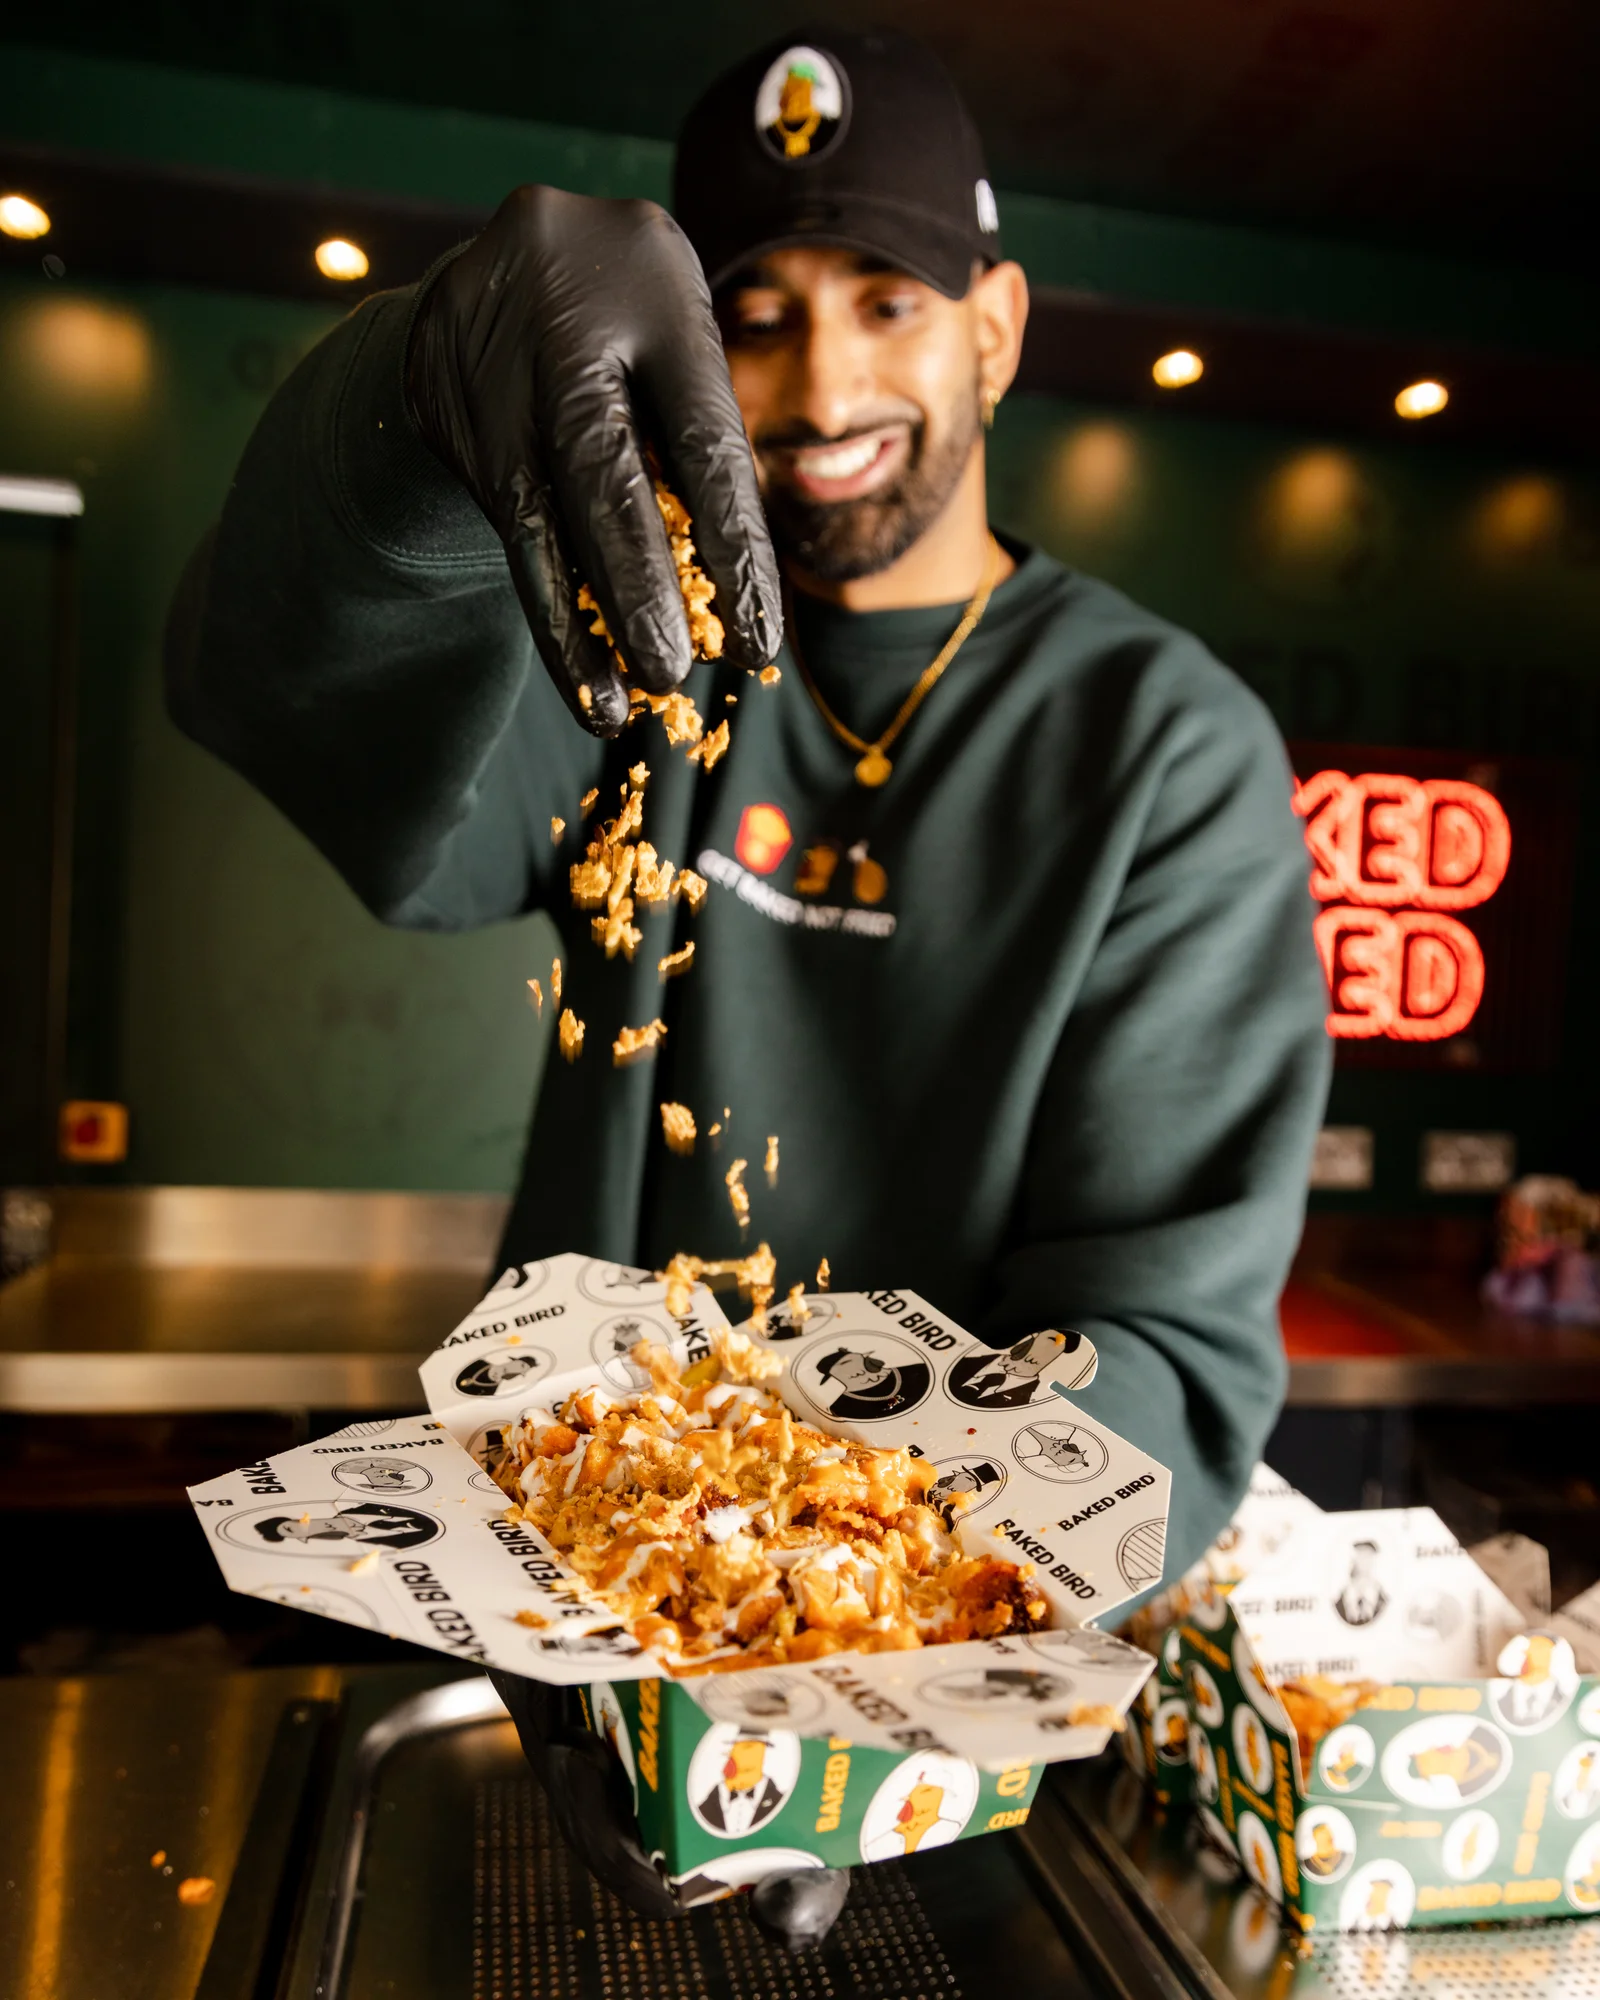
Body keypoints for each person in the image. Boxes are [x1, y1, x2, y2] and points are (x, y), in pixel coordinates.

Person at [167, 30, 1326, 1633]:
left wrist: (837, 1637)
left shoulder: (1162, 746)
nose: (823, 388)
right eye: (755, 321)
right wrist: (407, 405)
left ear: (994, 329)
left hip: (954, 1662)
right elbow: (281, 712)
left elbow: (1166, 1340)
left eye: (888, 303)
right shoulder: (634, 639)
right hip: (578, 1594)